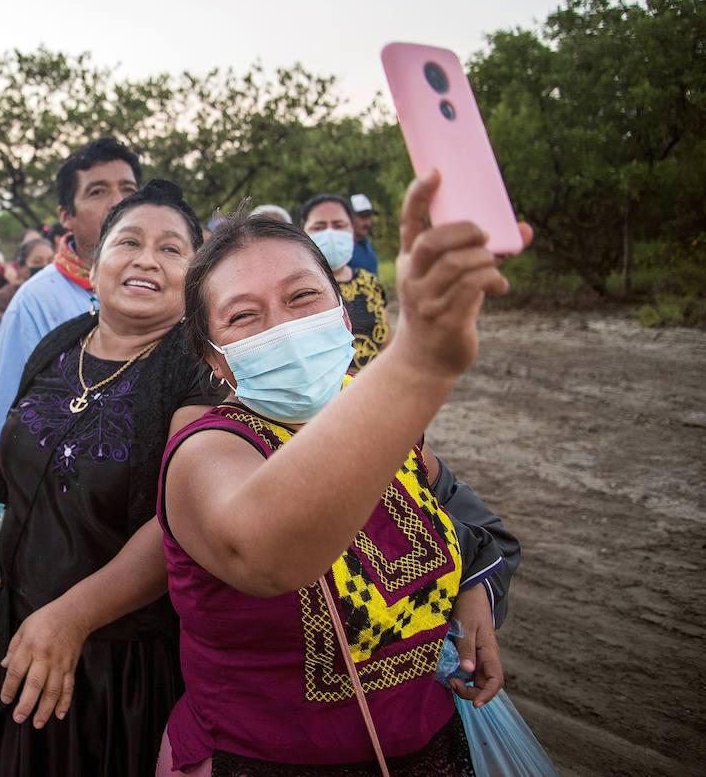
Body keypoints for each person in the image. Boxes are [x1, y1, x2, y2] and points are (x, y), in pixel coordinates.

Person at [157, 176, 530, 775]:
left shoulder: (384, 424)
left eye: (302, 298)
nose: (281, 327)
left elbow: (475, 528)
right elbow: (270, 554)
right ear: (213, 358)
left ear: (342, 309)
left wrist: (473, 593)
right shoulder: (208, 451)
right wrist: (418, 361)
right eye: (245, 315)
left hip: (432, 747)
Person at [0, 180, 218, 777]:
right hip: (18, 628)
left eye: (172, 249)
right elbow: (30, 438)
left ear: (197, 281)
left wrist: (72, 618)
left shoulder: (196, 375)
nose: (147, 258)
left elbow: (179, 519)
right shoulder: (59, 343)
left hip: (116, 660)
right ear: (95, 266)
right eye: (129, 241)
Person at [0, 137, 141, 460]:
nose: (119, 203)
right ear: (66, 215)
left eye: (128, 190)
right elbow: (8, 424)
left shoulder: (162, 291)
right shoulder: (35, 303)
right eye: (98, 191)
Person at [301, 193, 389, 370]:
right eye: (319, 227)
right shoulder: (294, 290)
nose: (330, 233)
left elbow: (386, 341)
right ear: (303, 232)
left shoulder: (368, 282)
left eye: (339, 225)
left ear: (352, 231)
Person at [0, 237, 56, 322]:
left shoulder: (61, 290)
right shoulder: (12, 293)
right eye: (37, 262)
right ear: (22, 266)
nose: (45, 267)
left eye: (50, 261)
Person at [348, 192, 380, 276]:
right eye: (362, 216)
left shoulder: (368, 244)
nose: (367, 222)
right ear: (349, 217)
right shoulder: (343, 250)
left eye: (369, 216)